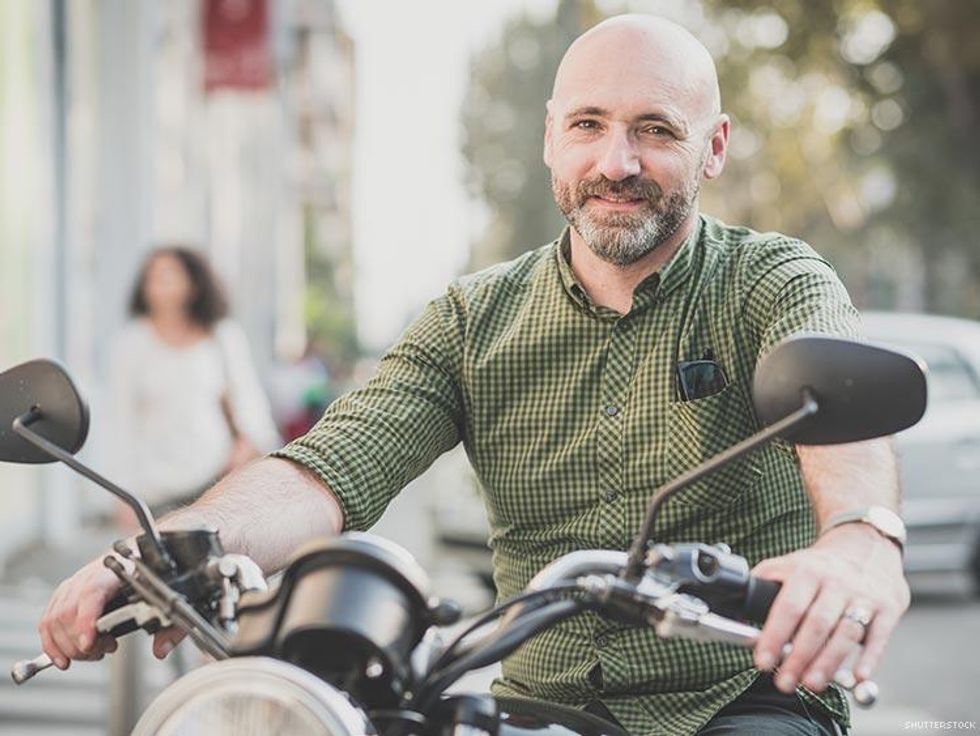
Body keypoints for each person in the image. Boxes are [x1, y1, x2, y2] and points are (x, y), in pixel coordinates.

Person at [38, 17, 908, 736]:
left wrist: (860, 539)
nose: (616, 162)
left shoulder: (770, 282)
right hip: (532, 702)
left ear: (713, 147)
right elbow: (326, 468)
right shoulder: (471, 319)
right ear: (550, 138)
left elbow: (847, 430)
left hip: (741, 693)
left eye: (655, 129)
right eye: (589, 125)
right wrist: (166, 548)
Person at [109, 246, 280, 519]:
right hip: (154, 490)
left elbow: (248, 399)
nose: (159, 286)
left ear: (193, 283)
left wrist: (247, 446)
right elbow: (120, 419)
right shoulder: (131, 342)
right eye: (152, 278)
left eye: (168, 276)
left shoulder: (222, 336)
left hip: (217, 480)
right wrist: (122, 492)